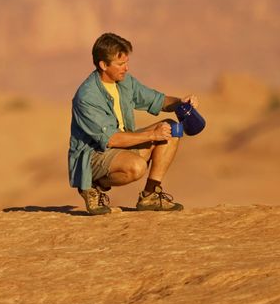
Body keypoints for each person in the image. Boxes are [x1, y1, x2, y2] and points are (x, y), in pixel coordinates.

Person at [68, 32, 199, 215]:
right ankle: (92, 184)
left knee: (171, 129)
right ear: (103, 65)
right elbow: (111, 139)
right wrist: (153, 135)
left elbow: (157, 100)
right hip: (94, 156)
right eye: (121, 64)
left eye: (127, 62)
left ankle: (150, 195)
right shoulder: (87, 97)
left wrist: (181, 102)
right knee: (136, 167)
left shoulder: (124, 82)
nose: (126, 68)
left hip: (120, 147)